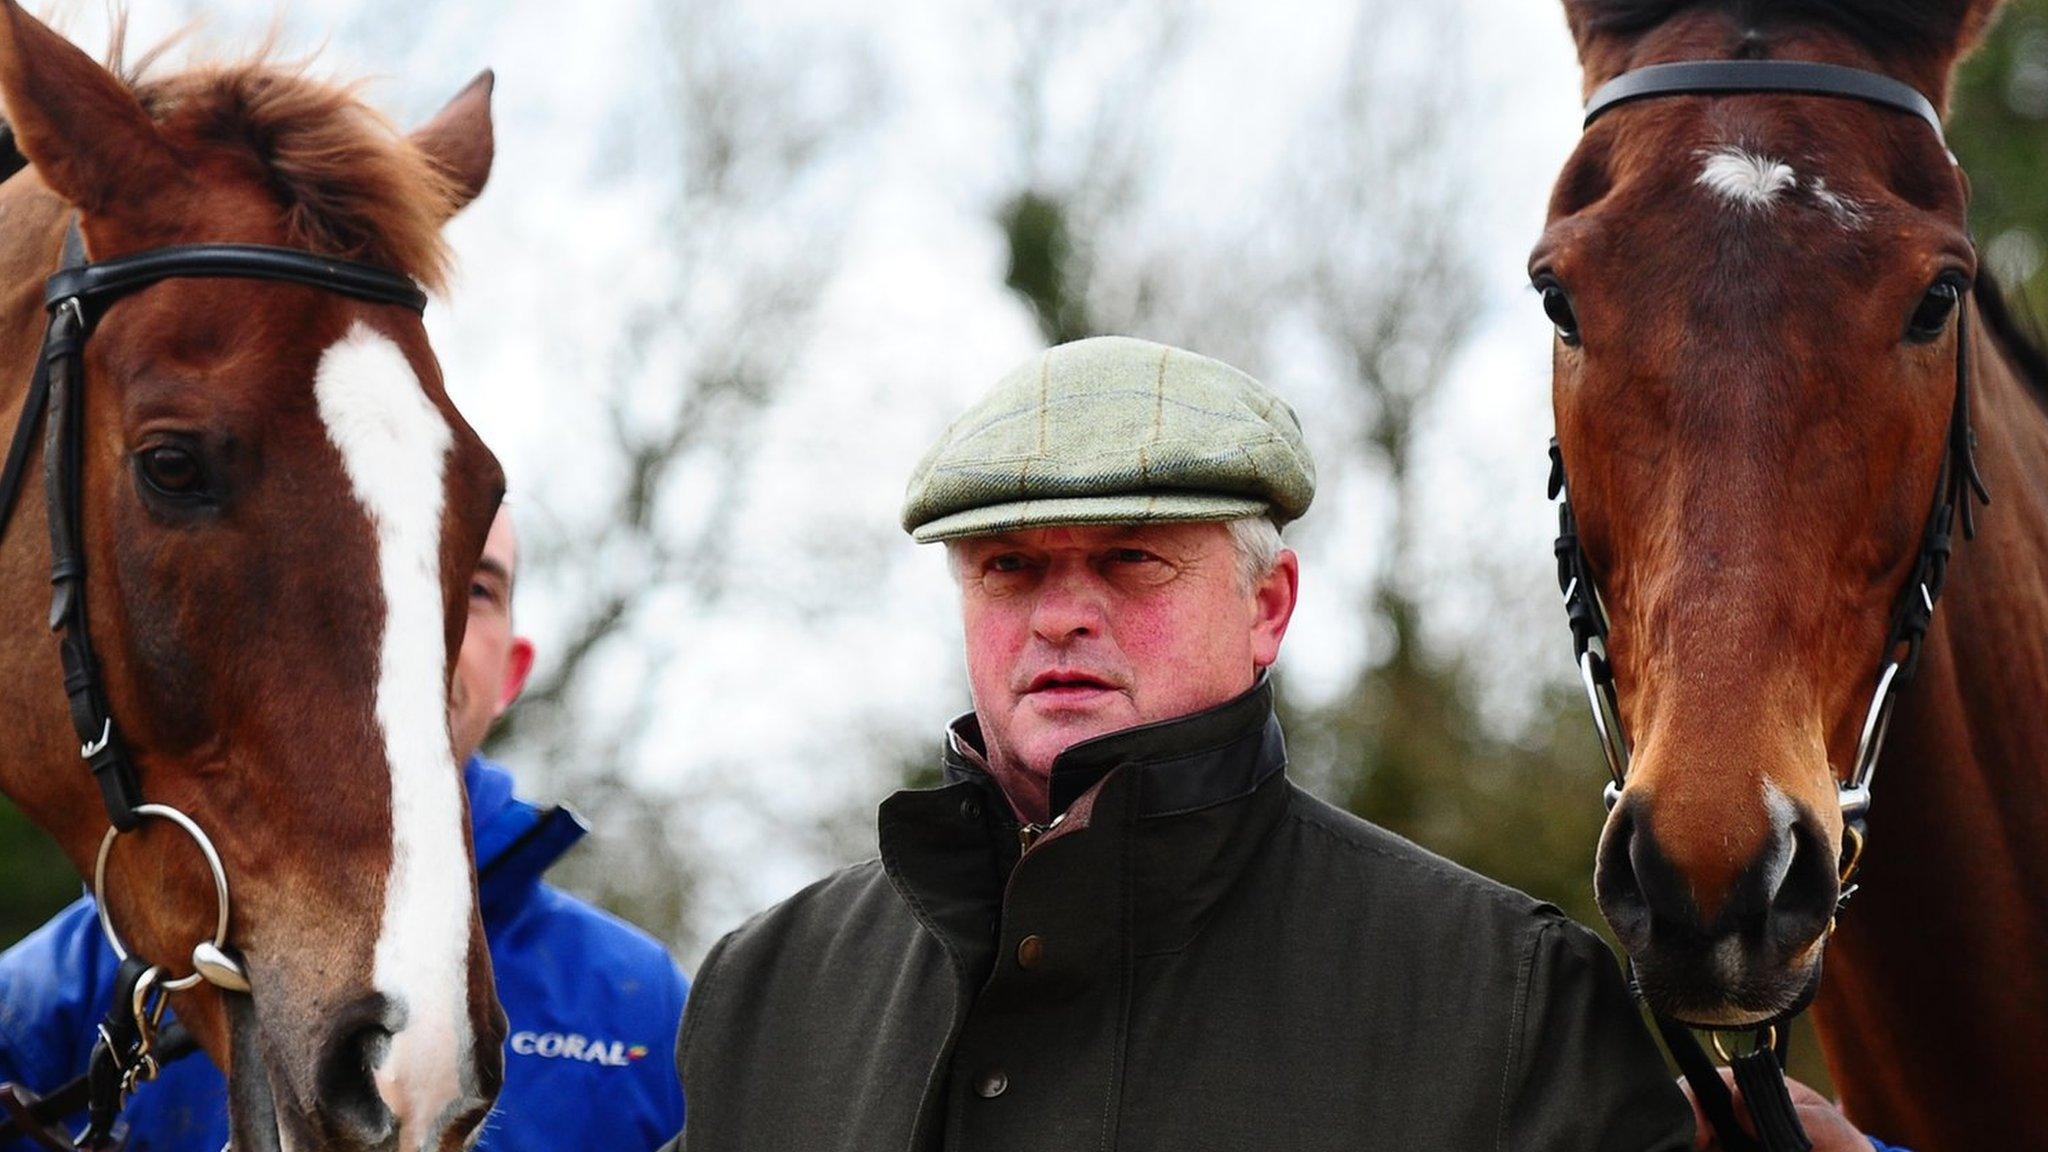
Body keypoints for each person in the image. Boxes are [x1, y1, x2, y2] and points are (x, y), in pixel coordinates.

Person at [666, 336, 1891, 1151]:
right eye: (1008, 568)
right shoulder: (763, 991)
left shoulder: (1501, 999)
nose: (1061, 612)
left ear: (1268, 608)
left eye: (1129, 559)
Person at [0, 507, 688, 1152]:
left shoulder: (645, 1012)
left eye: (476, 589)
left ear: (511, 674)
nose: (429, 619)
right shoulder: (55, 993)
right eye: (382, 561)